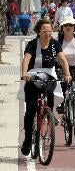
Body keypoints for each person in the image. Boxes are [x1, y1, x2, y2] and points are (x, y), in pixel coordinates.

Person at [21, 19, 71, 156]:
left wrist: (67, 73)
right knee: (30, 111)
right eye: (45, 31)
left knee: (50, 90)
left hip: (49, 75)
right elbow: (26, 59)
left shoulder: (54, 44)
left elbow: (63, 60)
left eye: (50, 31)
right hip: (33, 76)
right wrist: (24, 73)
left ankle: (49, 113)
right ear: (38, 32)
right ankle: (27, 140)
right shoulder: (32, 44)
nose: (48, 33)